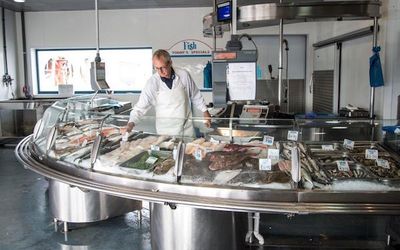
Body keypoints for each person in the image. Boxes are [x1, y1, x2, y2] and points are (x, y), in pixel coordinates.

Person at [127, 49, 211, 137]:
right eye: (157, 68)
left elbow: (195, 95)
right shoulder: (152, 83)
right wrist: (130, 124)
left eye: (163, 67)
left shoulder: (183, 75)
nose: (161, 71)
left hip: (185, 130)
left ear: (170, 63)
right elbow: (140, 107)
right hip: (164, 132)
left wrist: (205, 111)